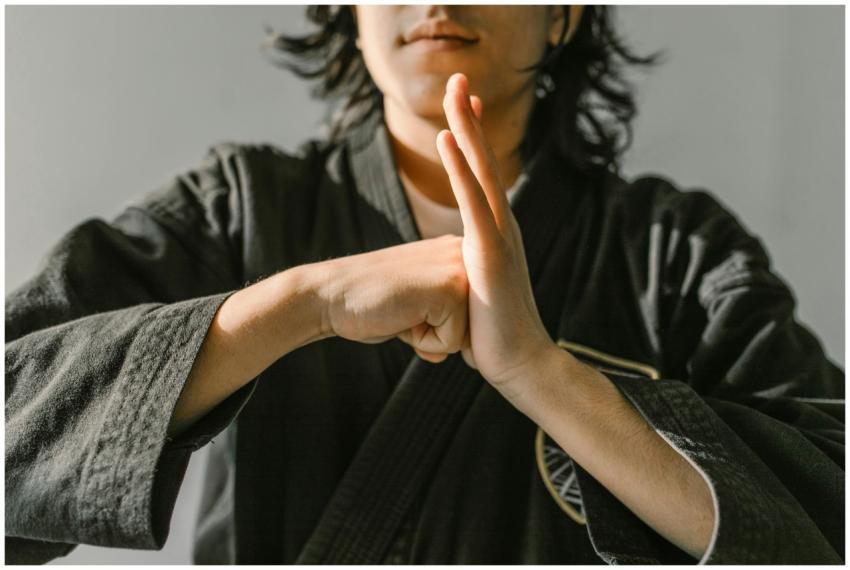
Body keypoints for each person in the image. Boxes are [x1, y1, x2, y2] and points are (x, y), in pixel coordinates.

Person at [5, 5, 844, 565]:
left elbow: (829, 523)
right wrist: (304, 305)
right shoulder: (239, 209)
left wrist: (543, 375)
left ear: (562, 14)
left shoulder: (677, 254)